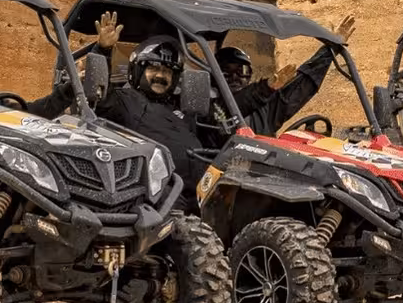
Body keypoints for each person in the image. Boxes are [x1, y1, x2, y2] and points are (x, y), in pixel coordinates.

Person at [96, 35, 209, 188]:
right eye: (153, 68)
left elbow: (227, 110)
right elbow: (99, 92)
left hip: (201, 193)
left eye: (167, 71)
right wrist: (103, 50)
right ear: (138, 70)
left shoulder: (186, 106)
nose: (160, 75)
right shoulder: (124, 101)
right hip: (156, 195)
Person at [214, 15, 357, 134]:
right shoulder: (209, 110)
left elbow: (302, 85)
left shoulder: (264, 109)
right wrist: (264, 89)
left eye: (242, 72)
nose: (235, 78)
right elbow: (232, 106)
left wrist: (330, 49)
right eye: (226, 71)